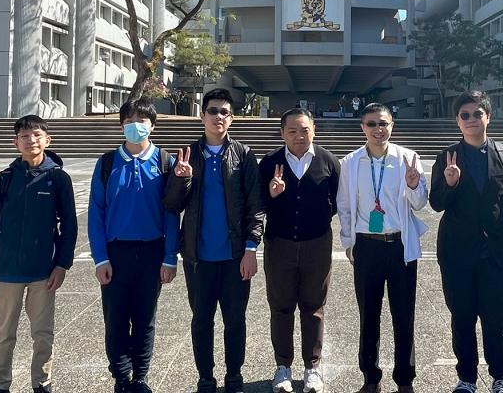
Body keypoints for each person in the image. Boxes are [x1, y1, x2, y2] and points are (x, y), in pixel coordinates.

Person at [164, 88, 263, 393]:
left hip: (235, 256)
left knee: (235, 321)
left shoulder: (244, 155)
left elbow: (255, 207)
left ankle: (234, 375)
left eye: (224, 112)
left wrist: (250, 248)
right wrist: (181, 178)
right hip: (198, 257)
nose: (218, 116)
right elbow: (171, 205)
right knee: (201, 320)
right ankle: (205, 376)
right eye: (212, 111)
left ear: (231, 118)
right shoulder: (187, 154)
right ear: (202, 115)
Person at [430, 91, 503, 393]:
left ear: (488, 117)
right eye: (465, 115)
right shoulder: (447, 157)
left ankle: (500, 377)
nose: (472, 120)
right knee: (462, 317)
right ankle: (466, 378)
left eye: (477, 114)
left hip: (495, 254)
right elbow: (436, 203)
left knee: (496, 318)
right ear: (457, 122)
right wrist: (450, 183)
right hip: (457, 253)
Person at [0, 115, 78, 393]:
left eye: (36, 135)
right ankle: (0, 385)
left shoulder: (58, 179)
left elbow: (69, 226)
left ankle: (42, 383)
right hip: (7, 271)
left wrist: (62, 265)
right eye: (24, 136)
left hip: (43, 272)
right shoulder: (3, 180)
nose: (30, 140)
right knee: (3, 335)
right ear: (15, 142)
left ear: (47, 140)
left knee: (43, 334)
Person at [88, 98, 179, 393]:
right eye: (128, 121)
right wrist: (100, 258)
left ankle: (140, 375)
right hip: (116, 253)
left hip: (152, 251)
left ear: (152, 125)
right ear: (121, 126)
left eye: (141, 120)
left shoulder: (166, 162)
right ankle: (121, 375)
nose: (135, 126)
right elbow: (96, 213)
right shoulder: (107, 163)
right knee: (115, 318)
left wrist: (169, 258)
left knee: (145, 317)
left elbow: (171, 212)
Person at [337, 103, 428, 393]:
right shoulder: (350, 162)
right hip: (367, 246)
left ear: (392, 126)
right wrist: (349, 242)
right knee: (369, 315)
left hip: (399, 245)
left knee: (404, 315)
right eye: (372, 124)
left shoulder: (408, 158)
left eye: (384, 123)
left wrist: (414, 186)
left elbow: (420, 204)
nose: (379, 129)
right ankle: (371, 377)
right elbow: (345, 206)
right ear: (362, 127)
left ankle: (404, 379)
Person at [260, 108, 340, 393]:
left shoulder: (328, 161)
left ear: (314, 130)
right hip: (279, 244)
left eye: (304, 130)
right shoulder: (269, 162)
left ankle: (312, 367)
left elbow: (339, 201)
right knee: (280, 306)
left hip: (317, 244)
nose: (298, 136)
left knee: (313, 307)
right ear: (282, 133)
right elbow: (257, 204)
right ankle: (283, 366)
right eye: (292, 130)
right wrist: (271, 194)